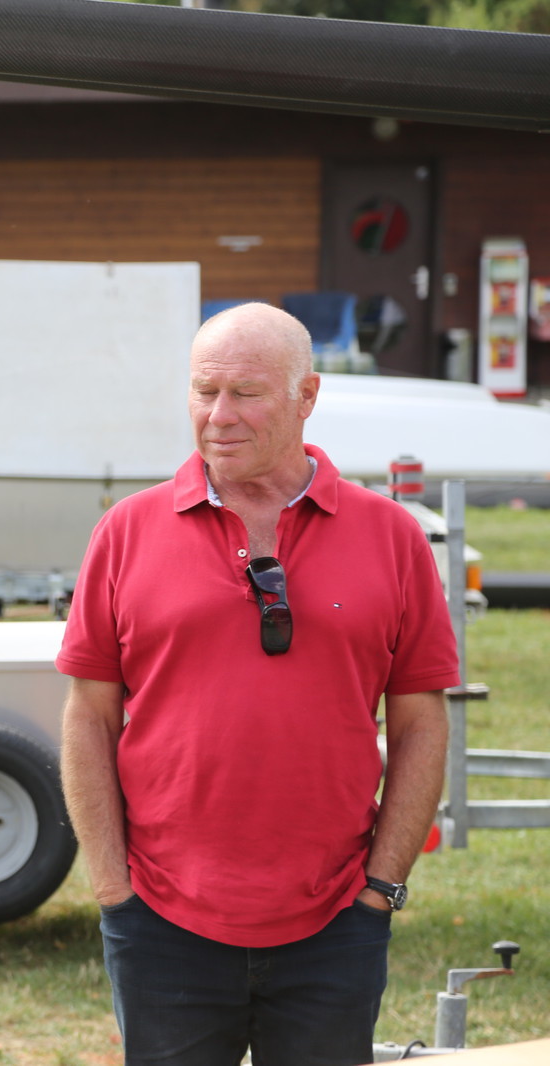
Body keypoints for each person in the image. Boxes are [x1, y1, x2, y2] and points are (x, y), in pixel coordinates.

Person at [57, 301, 457, 1066]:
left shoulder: (392, 537)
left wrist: (380, 890)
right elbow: (88, 719)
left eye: (246, 393)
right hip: (162, 924)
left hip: (335, 922)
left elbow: (420, 724)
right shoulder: (128, 530)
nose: (219, 416)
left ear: (307, 398)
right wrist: (113, 887)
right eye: (205, 392)